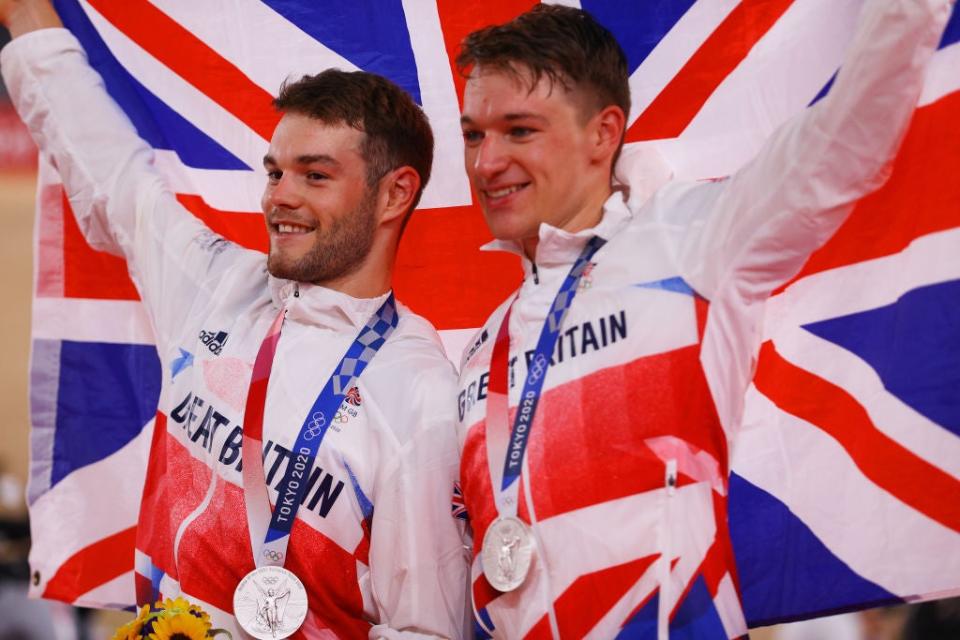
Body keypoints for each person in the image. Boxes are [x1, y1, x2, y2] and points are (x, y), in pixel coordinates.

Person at [453, 2, 953, 638]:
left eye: (518, 130)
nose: (485, 163)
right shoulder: (481, 348)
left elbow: (845, 138)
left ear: (604, 133)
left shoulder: (697, 236)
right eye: (474, 135)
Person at [0, 1, 468, 637]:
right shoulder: (217, 285)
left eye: (316, 175)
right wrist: (26, 16)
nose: (281, 196)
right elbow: (110, 169)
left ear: (396, 193)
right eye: (275, 171)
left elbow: (427, 628)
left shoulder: (419, 389)